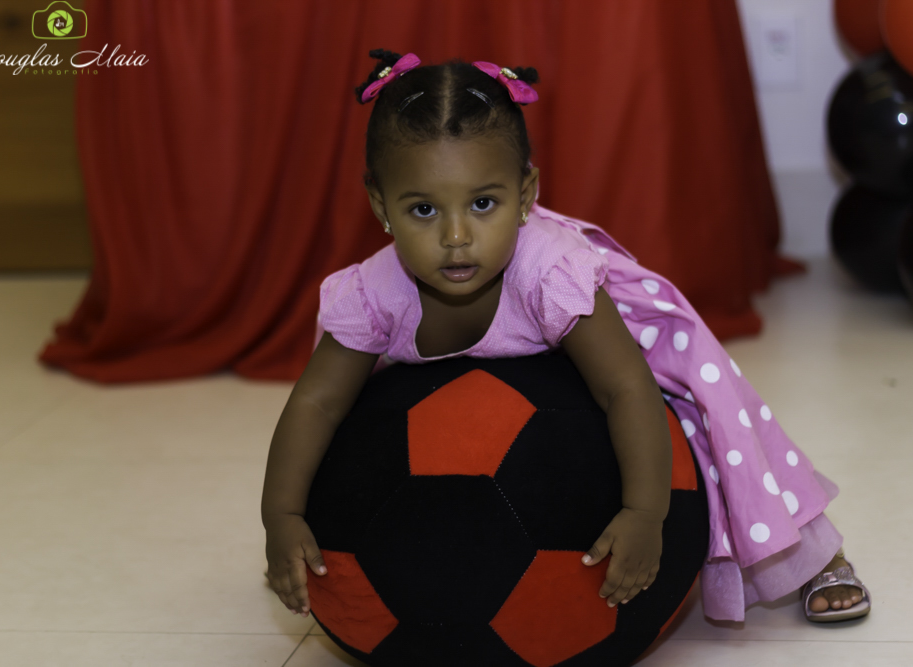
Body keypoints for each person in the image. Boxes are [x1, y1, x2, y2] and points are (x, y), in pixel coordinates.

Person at [261, 50, 871, 626]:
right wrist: (281, 517)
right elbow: (317, 402)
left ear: (525, 196)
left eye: (482, 203)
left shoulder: (548, 273)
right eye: (423, 209)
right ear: (380, 205)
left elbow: (624, 389)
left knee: (713, 423)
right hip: (497, 372)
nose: (455, 237)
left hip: (620, 338)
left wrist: (644, 512)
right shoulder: (371, 295)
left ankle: (816, 554)